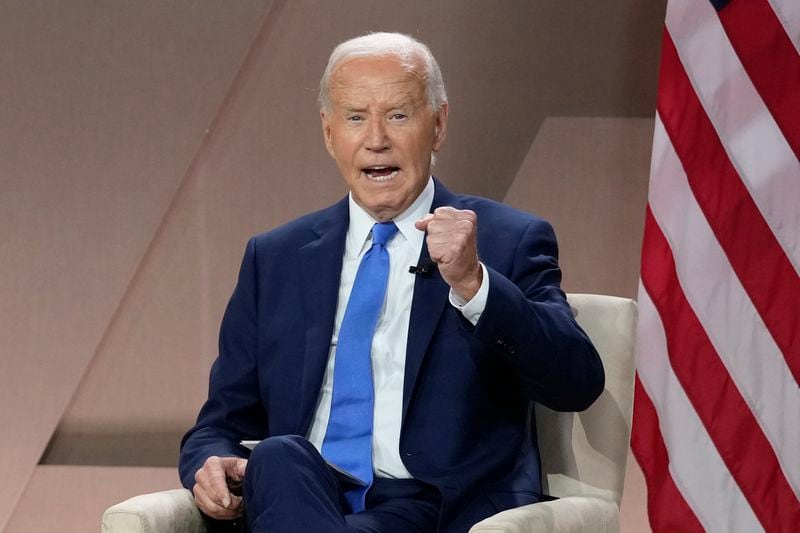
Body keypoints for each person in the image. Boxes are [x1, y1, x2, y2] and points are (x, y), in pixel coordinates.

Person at [179, 32, 604, 533]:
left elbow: (576, 380)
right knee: (278, 456)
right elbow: (221, 421)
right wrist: (209, 462)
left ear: (439, 124)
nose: (376, 139)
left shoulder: (506, 241)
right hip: (302, 494)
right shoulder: (275, 259)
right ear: (328, 131)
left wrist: (474, 283)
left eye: (398, 115)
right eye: (355, 117)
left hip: (431, 507)